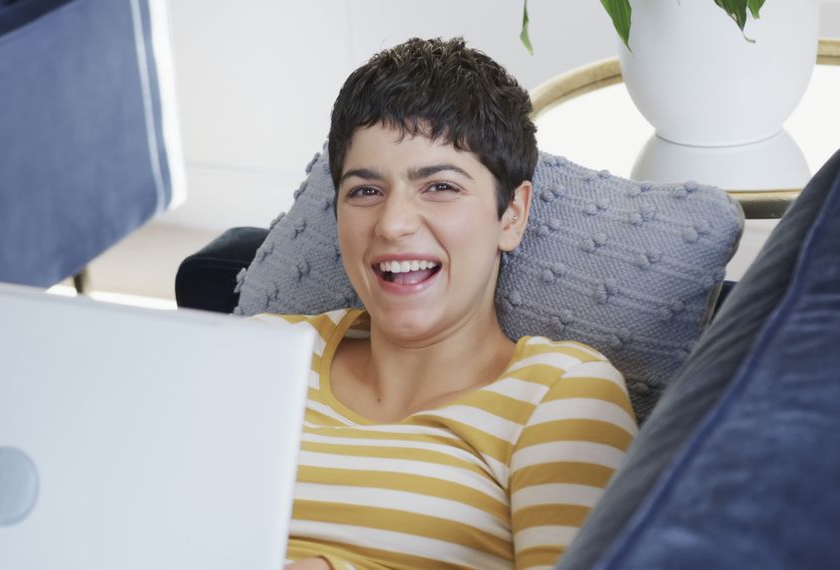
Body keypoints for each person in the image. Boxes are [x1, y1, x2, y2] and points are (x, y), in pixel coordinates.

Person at [258, 37, 638, 570]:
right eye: (365, 191)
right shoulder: (267, 351)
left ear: (511, 215)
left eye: (439, 186)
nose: (392, 224)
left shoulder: (559, 394)